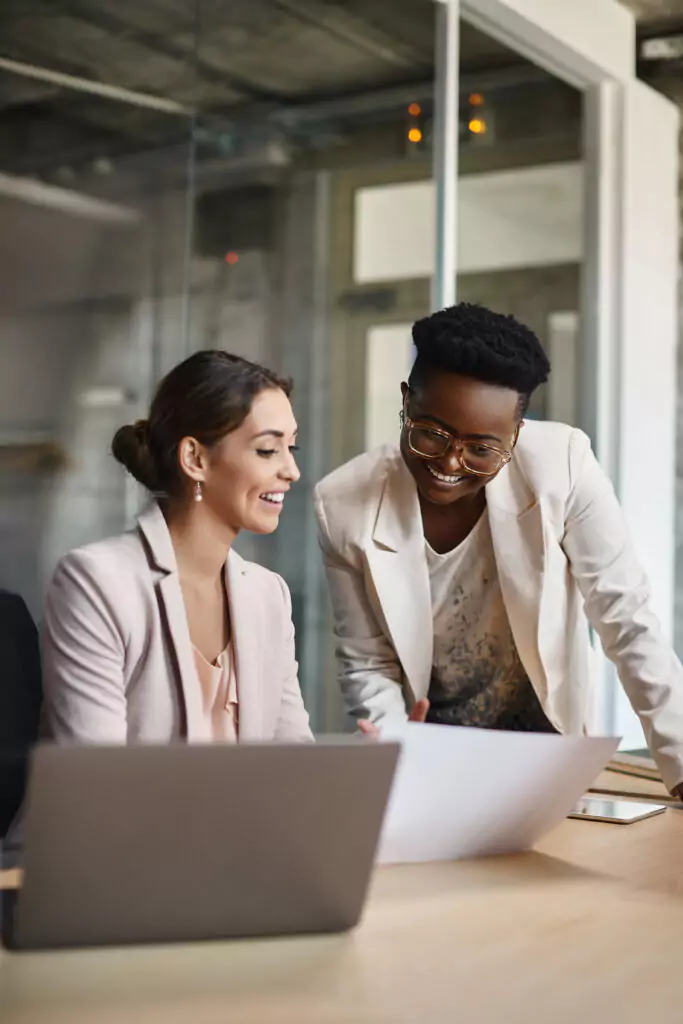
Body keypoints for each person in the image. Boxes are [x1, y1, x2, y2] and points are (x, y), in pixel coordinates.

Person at [314, 303, 683, 796]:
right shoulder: (343, 503)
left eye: (482, 448)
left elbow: (627, 621)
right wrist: (401, 754)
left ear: (516, 434)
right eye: (431, 432)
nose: (449, 461)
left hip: (552, 762)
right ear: (407, 401)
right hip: (435, 769)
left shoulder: (563, 465)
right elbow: (367, 664)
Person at [42, 350, 312, 744]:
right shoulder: (96, 583)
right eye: (268, 450)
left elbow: (295, 763)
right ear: (195, 458)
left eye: (293, 448)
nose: (292, 471)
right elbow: (98, 784)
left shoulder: (268, 595)